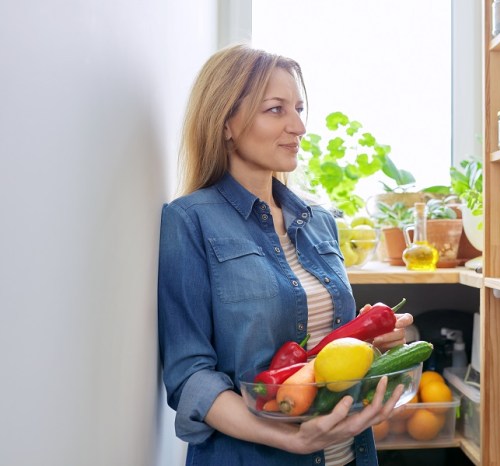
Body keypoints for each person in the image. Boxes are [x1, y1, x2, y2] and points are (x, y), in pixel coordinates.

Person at [158, 43, 414, 466]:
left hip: (351, 455)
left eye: (298, 107)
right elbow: (190, 377)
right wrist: (290, 440)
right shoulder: (190, 221)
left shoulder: (320, 221)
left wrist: (374, 341)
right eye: (276, 109)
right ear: (225, 122)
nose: (298, 125)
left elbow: (328, 350)